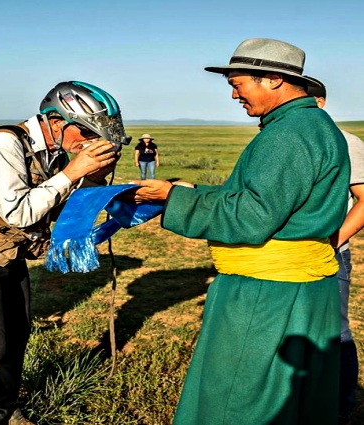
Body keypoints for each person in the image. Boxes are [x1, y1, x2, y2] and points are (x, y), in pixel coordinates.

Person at [133, 38, 350, 424]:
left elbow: (253, 215)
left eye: (238, 84)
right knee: (292, 396)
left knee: (238, 396)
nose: (234, 95)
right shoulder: (312, 125)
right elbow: (274, 200)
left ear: (272, 79)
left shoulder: (288, 134)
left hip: (266, 291)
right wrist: (194, 191)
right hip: (302, 286)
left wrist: (175, 200)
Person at [0, 81, 126, 425]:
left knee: (17, 336)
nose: (89, 141)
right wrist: (73, 172)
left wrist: (93, 180)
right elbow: (21, 213)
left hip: (9, 250)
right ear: (56, 120)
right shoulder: (2, 145)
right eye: (86, 131)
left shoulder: (51, 151)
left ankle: (3, 414)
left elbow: (51, 208)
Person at [306, 75, 364, 425]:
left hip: (329, 252)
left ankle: (343, 407)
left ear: (321, 103)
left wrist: (334, 240)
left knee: (335, 330)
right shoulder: (280, 140)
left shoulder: (346, 142)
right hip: (284, 256)